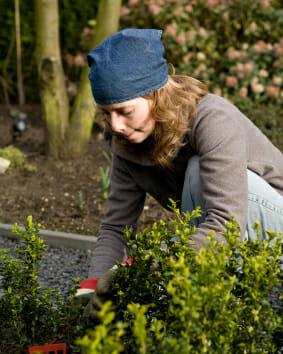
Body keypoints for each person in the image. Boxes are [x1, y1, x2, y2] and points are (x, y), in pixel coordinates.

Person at [76, 28, 283, 313]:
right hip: (233, 234)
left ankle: (222, 313)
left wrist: (144, 269)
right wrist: (94, 286)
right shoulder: (125, 143)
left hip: (270, 228)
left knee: (196, 174)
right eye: (107, 112)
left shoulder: (211, 119)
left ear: (156, 95)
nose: (115, 125)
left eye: (124, 111)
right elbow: (116, 227)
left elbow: (226, 224)